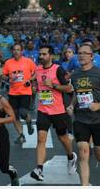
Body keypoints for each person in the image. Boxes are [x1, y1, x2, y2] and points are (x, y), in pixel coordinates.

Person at [67, 44, 100, 186]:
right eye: (79, 53)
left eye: (85, 53)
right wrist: (72, 105)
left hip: (99, 119)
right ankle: (84, 185)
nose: (82, 55)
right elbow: (76, 93)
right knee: (83, 152)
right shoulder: (75, 74)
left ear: (92, 56)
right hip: (81, 119)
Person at [30, 45, 77, 181]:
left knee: (63, 138)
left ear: (51, 56)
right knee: (41, 139)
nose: (41, 56)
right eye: (40, 54)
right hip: (43, 110)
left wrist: (54, 85)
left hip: (58, 111)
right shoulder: (37, 69)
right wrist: (34, 88)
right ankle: (39, 169)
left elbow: (69, 88)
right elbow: (36, 85)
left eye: (44, 54)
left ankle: (70, 156)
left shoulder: (58, 69)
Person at [2, 43, 36, 144]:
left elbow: (36, 73)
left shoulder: (28, 61)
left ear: (22, 51)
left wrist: (29, 80)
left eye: (18, 50)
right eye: (14, 50)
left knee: (23, 113)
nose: (16, 52)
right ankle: (21, 135)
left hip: (25, 92)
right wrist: (8, 78)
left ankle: (29, 122)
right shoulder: (8, 63)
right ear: (12, 51)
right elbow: (3, 75)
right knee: (14, 115)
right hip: (13, 92)